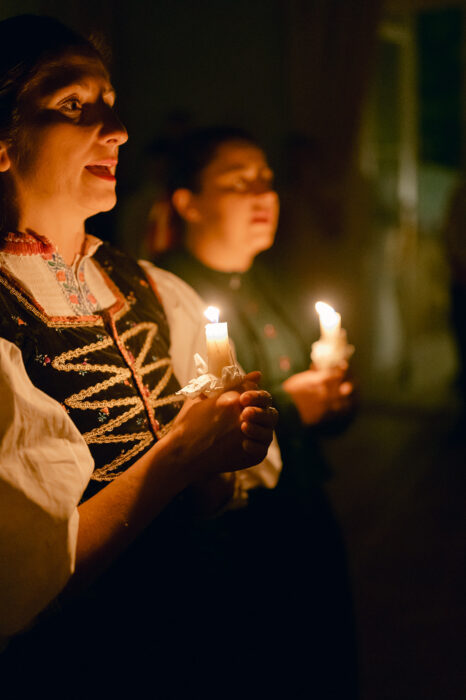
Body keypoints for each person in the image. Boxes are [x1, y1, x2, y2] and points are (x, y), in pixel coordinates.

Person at [0, 17, 279, 699]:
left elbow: (213, 497)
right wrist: (179, 456)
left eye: (112, 103)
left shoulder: (154, 289)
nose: (117, 127)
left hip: (193, 645)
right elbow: (21, 584)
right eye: (73, 105)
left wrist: (219, 458)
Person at [156, 126, 359, 698]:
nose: (263, 194)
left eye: (267, 180)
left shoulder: (271, 279)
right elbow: (181, 423)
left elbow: (317, 381)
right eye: (239, 181)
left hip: (303, 510)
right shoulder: (164, 294)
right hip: (233, 539)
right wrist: (295, 406)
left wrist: (338, 395)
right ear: (188, 202)